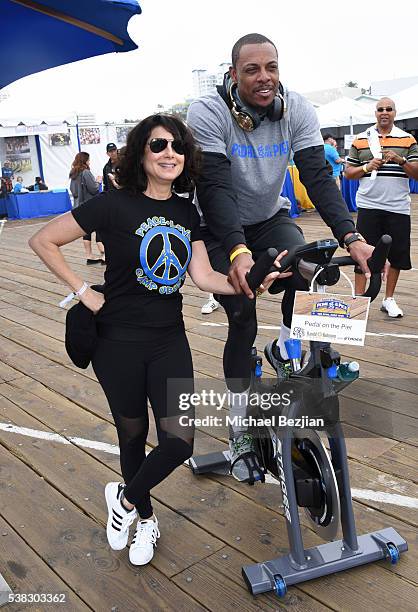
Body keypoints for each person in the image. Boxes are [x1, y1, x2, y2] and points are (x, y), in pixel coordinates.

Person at [28, 113, 288, 566]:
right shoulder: (112, 205)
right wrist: (83, 291)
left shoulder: (188, 213)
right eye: (159, 145)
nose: (170, 153)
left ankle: (124, 499)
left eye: (178, 147)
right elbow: (44, 240)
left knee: (178, 443)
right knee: (132, 435)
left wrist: (253, 280)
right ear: (140, 153)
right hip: (117, 342)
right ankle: (145, 518)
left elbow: (205, 277)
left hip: (169, 340)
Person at [187, 32, 376, 483]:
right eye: (252, 69)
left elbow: (317, 175)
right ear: (233, 74)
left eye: (271, 67)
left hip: (270, 217)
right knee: (242, 311)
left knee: (309, 270)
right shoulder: (208, 111)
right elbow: (214, 187)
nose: (264, 77)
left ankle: (288, 354)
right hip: (217, 226)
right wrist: (236, 249)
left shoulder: (298, 109)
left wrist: (351, 236)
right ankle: (239, 427)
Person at [345, 97, 418, 317]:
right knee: (362, 253)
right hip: (369, 205)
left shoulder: (408, 140)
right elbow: (348, 173)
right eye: (380, 109)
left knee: (396, 255)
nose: (384, 112)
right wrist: (367, 166)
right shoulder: (361, 139)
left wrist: (401, 161)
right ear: (375, 113)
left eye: (388, 109)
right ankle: (359, 301)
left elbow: (416, 173)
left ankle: (389, 299)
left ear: (395, 113)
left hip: (398, 207)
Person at [69, 152, 105, 265]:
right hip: (90, 206)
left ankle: (89, 256)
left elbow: (73, 192)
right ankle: (104, 255)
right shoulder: (86, 172)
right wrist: (98, 181)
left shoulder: (73, 174)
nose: (90, 162)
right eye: (88, 160)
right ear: (85, 161)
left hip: (79, 208)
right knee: (101, 228)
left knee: (86, 231)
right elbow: (94, 189)